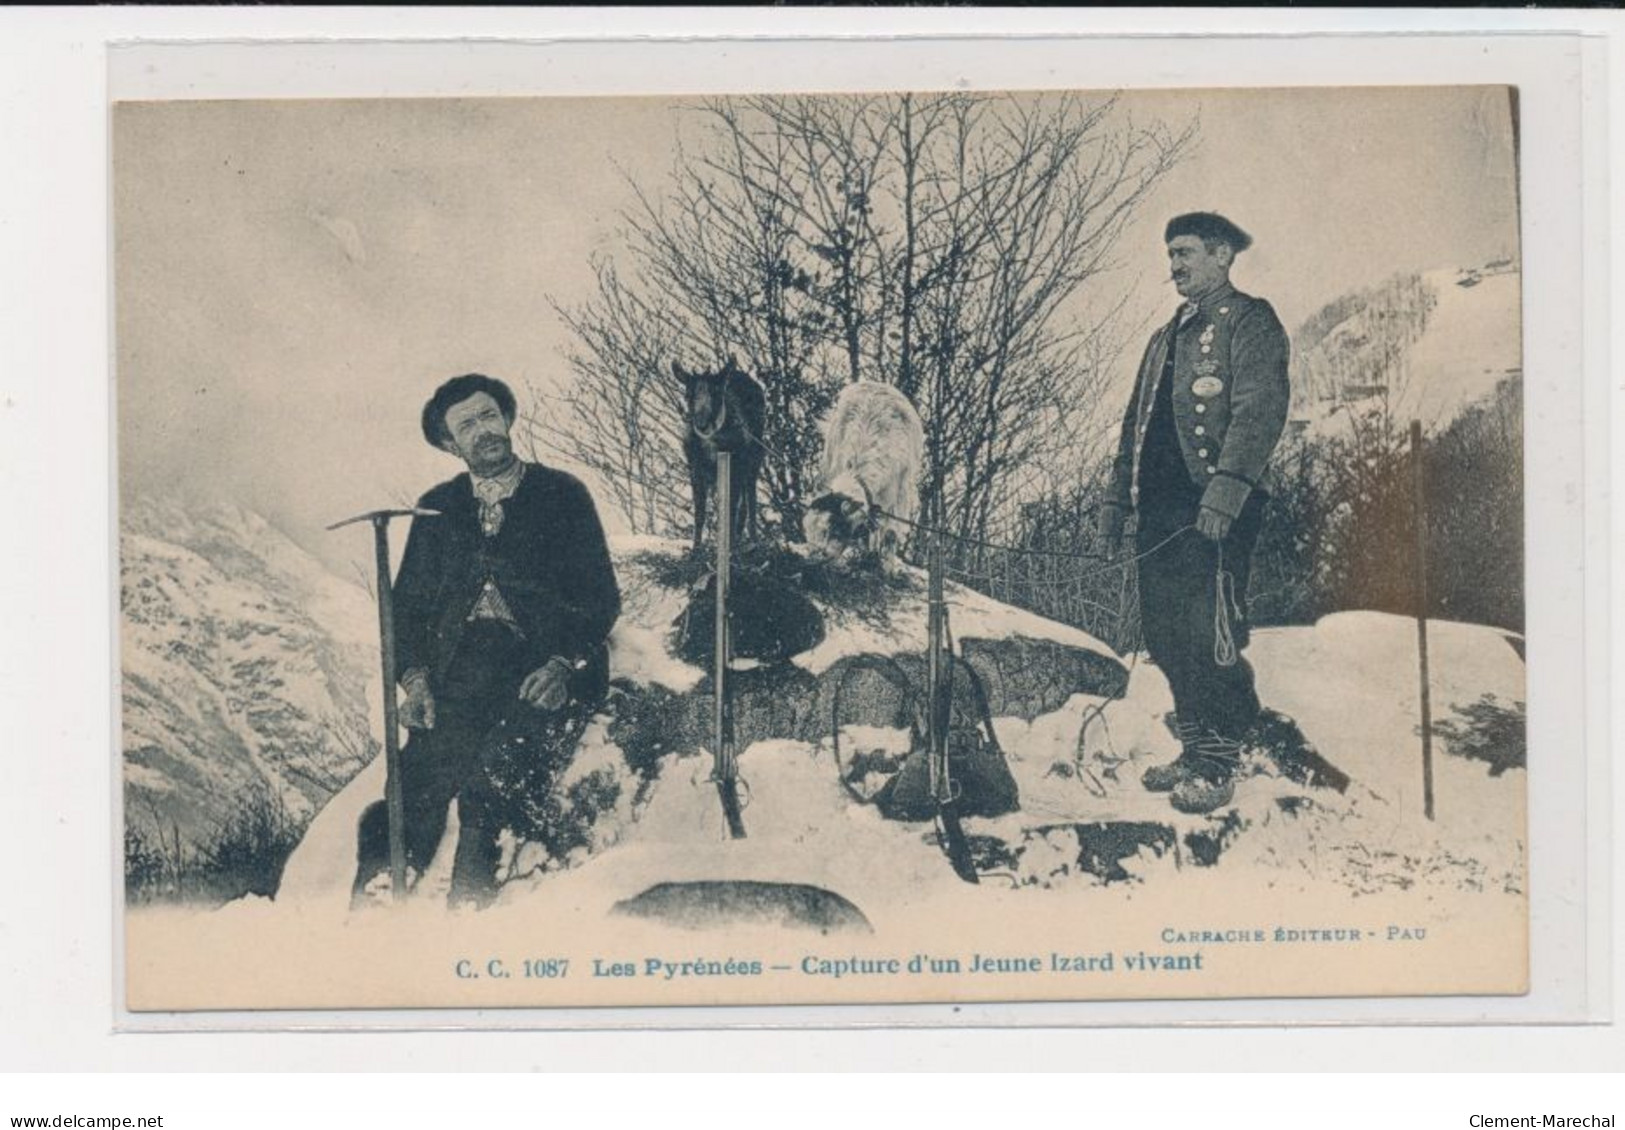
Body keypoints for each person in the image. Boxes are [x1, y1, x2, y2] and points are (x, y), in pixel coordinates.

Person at [351, 373, 621, 909]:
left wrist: (565, 664)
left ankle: (470, 910)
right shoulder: (436, 509)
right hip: (462, 672)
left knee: (495, 778)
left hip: (544, 667)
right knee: (416, 779)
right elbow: (408, 610)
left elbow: (600, 598)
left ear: (507, 419)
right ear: (451, 445)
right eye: (467, 425)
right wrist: (416, 680)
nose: (484, 431)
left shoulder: (562, 494)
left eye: (488, 416)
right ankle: (378, 899)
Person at [1098, 213, 1290, 815]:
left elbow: (1260, 412)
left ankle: (1220, 758)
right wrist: (1115, 505)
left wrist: (1226, 493)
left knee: (1211, 631)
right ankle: (1196, 743)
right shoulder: (1164, 338)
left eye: (1185, 253)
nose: (1174, 265)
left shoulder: (1250, 322)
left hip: (1214, 508)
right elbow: (1135, 425)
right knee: (1163, 631)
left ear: (1222, 255)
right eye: (1170, 255)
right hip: (1159, 511)